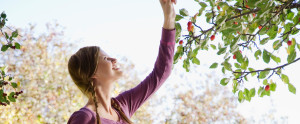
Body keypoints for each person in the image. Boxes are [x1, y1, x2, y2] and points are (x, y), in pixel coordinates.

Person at [67, 0, 176, 123]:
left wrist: (169, 18)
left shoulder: (123, 106)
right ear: (92, 73)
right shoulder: (85, 117)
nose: (114, 59)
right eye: (106, 58)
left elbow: (161, 72)